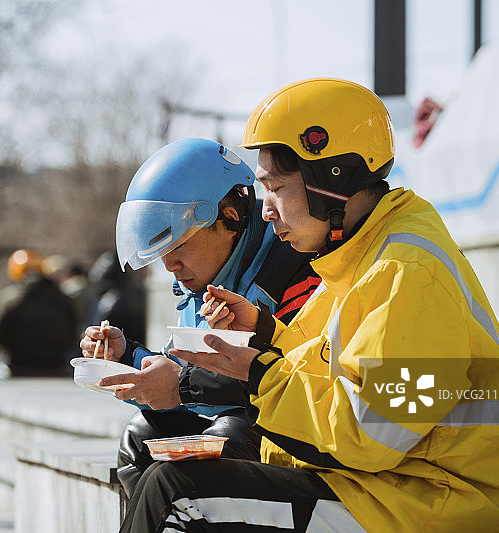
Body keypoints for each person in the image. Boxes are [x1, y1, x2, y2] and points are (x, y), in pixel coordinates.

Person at [111, 79, 499, 532]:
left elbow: (374, 431)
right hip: (390, 487)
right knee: (170, 477)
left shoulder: (406, 271)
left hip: (438, 505)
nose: (267, 210)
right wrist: (264, 335)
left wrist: (251, 377)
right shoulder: (361, 255)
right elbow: (330, 368)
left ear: (331, 177)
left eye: (275, 188)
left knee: (178, 492)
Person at [80, 138, 321, 498]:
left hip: (293, 435)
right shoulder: (205, 279)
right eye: (161, 251)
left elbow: (290, 380)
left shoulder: (296, 267)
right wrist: (126, 358)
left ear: (230, 218)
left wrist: (181, 386)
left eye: (177, 245)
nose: (169, 265)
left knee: (224, 441)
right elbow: (182, 372)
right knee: (140, 438)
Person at [0, 249, 77, 377]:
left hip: (19, 368)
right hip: (58, 368)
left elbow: (0, 337)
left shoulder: (8, 298)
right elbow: (74, 331)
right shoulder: (64, 298)